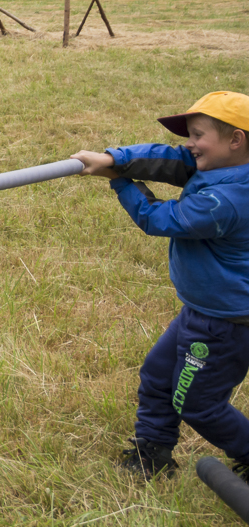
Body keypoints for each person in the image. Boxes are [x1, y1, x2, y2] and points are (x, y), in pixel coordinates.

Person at [73, 91, 249, 480]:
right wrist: (114, 158)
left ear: (236, 140)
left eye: (198, 135)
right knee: (157, 376)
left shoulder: (228, 199)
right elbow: (170, 159)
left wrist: (119, 180)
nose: (189, 144)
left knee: (199, 403)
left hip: (225, 323)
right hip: (203, 310)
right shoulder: (226, 166)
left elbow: (159, 219)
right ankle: (152, 454)